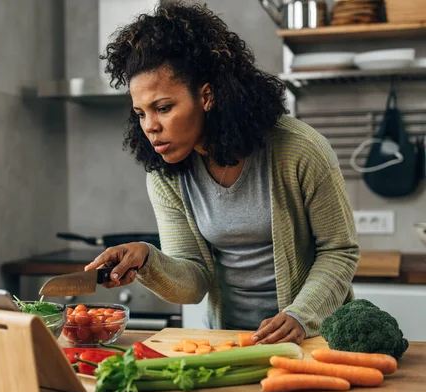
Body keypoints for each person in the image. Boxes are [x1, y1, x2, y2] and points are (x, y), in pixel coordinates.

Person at [84, 2, 359, 345]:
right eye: (140, 113)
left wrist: (299, 316)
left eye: (163, 108)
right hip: (230, 342)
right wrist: (147, 259)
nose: (150, 127)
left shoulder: (299, 149)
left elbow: (340, 250)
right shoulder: (165, 175)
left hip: (312, 338)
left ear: (207, 95)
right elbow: (194, 283)